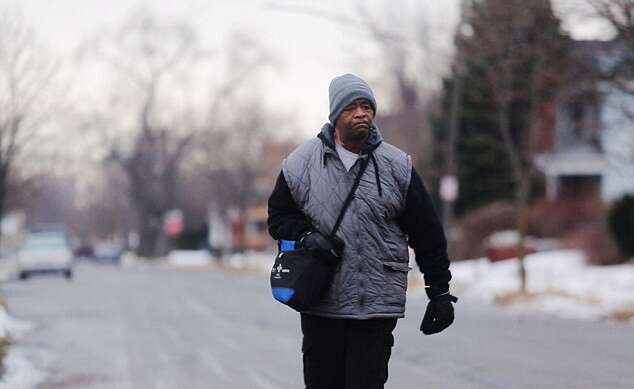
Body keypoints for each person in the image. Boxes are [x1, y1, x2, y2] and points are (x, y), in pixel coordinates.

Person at [267, 73, 457, 389]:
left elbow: (428, 234)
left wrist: (439, 292)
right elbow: (279, 218)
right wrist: (306, 237)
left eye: (367, 106)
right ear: (335, 115)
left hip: (375, 306)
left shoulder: (397, 166)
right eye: (351, 107)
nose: (361, 113)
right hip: (321, 302)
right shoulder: (300, 164)